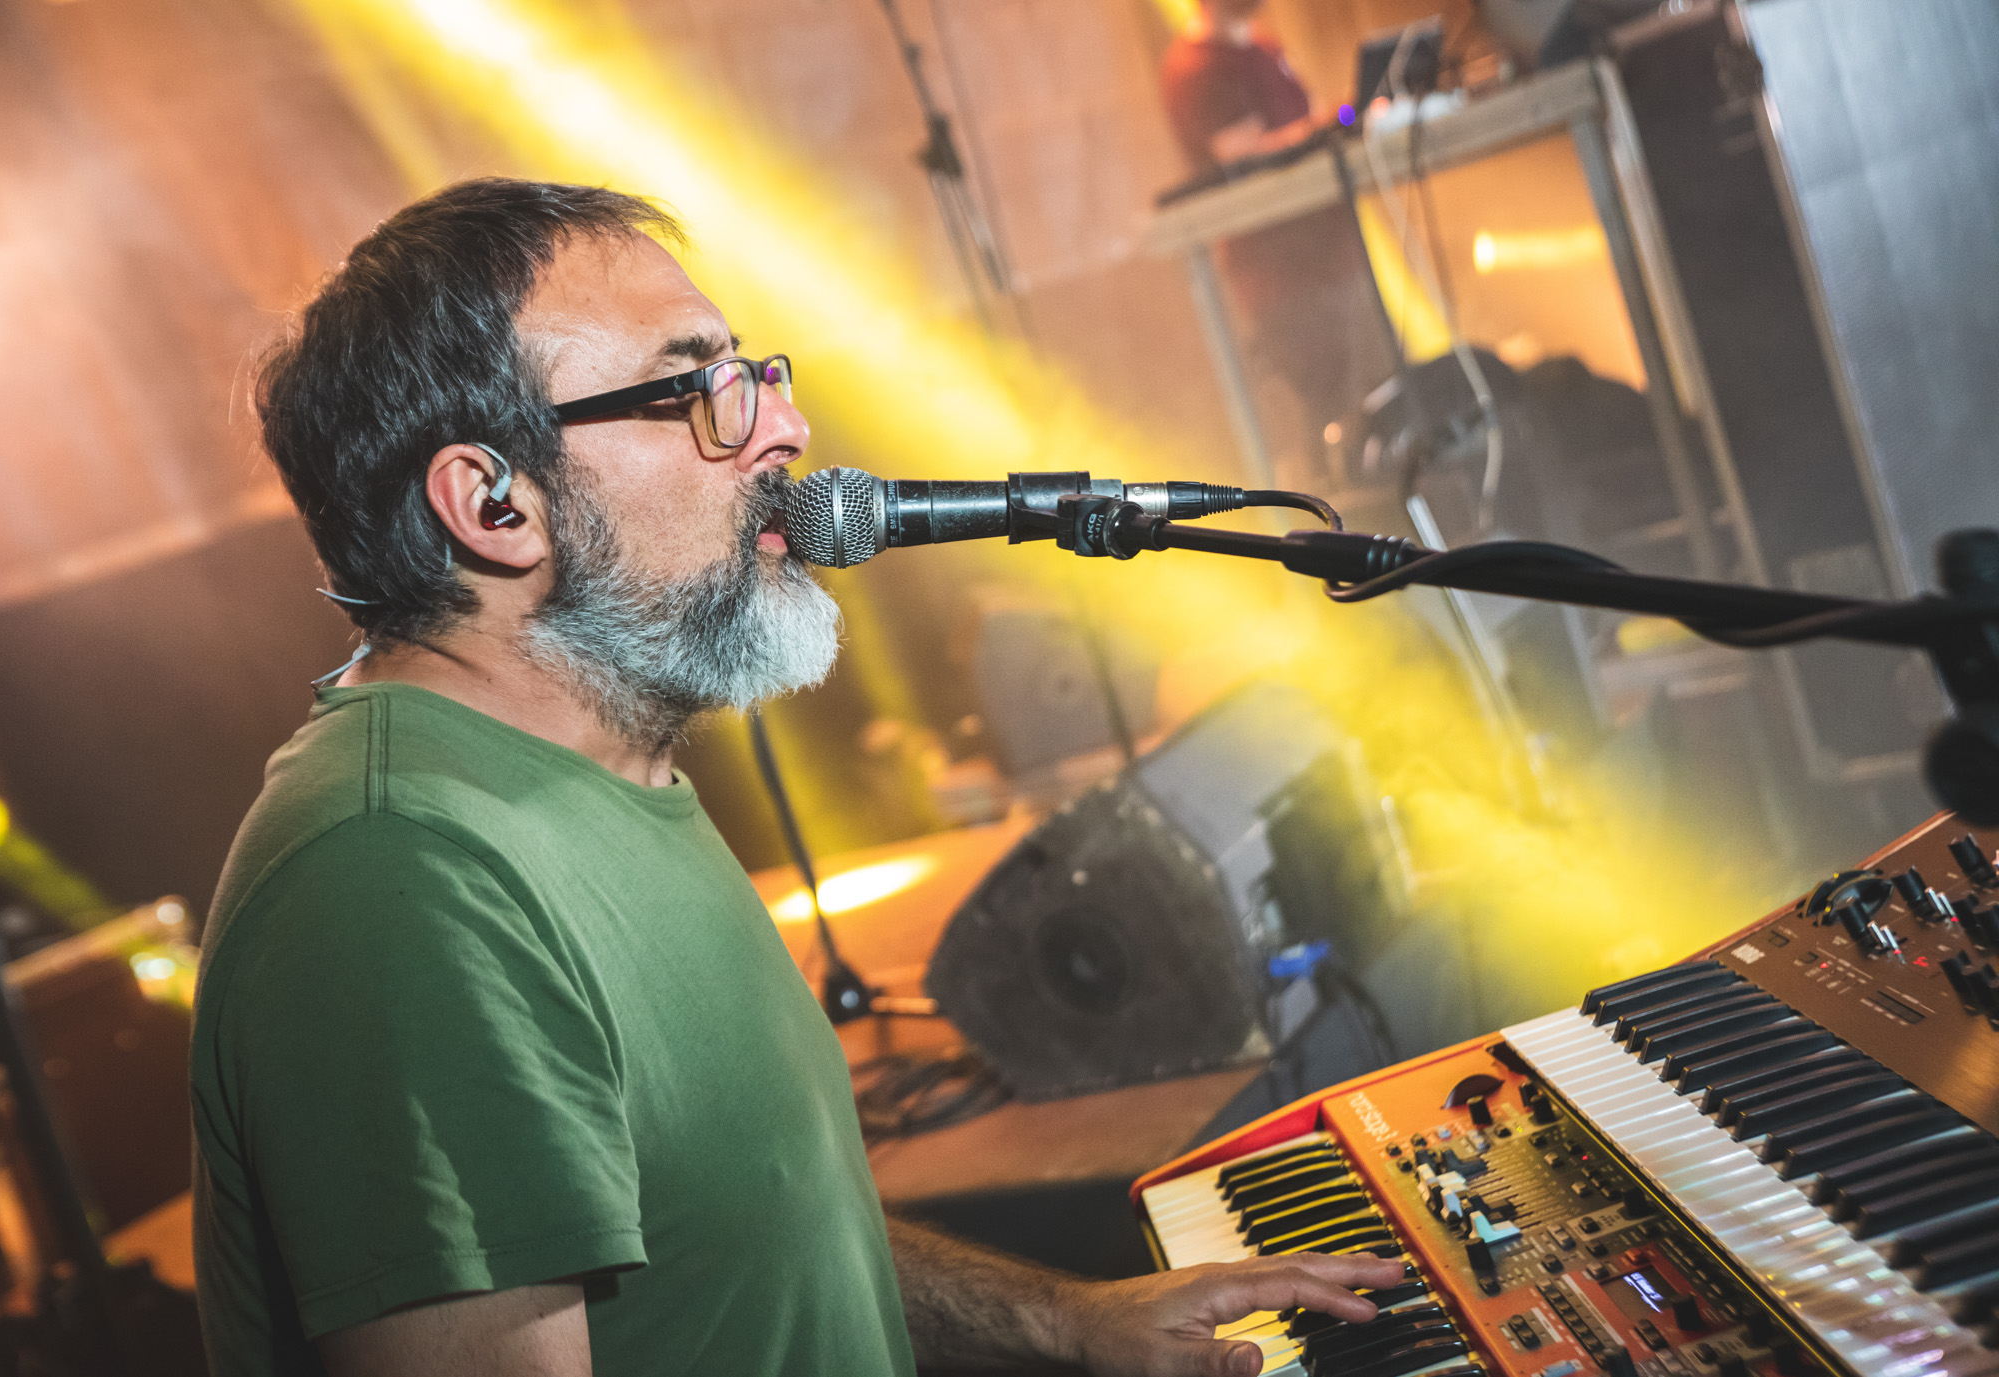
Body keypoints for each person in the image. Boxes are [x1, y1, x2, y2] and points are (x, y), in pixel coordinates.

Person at [191, 177, 1403, 1377]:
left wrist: (1062, 1324)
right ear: (496, 506)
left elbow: (741, 1240)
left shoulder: (607, 767)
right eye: (698, 388)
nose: (783, 428)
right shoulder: (398, 882)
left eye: (754, 374)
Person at [1160, 0, 1392, 460]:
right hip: (1284, 279)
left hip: (1334, 256)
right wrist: (1336, 122)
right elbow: (1245, 153)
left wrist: (1346, 116)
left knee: (1384, 405)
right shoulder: (1196, 67)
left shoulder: (1262, 47)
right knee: (1333, 418)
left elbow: (1300, 124)